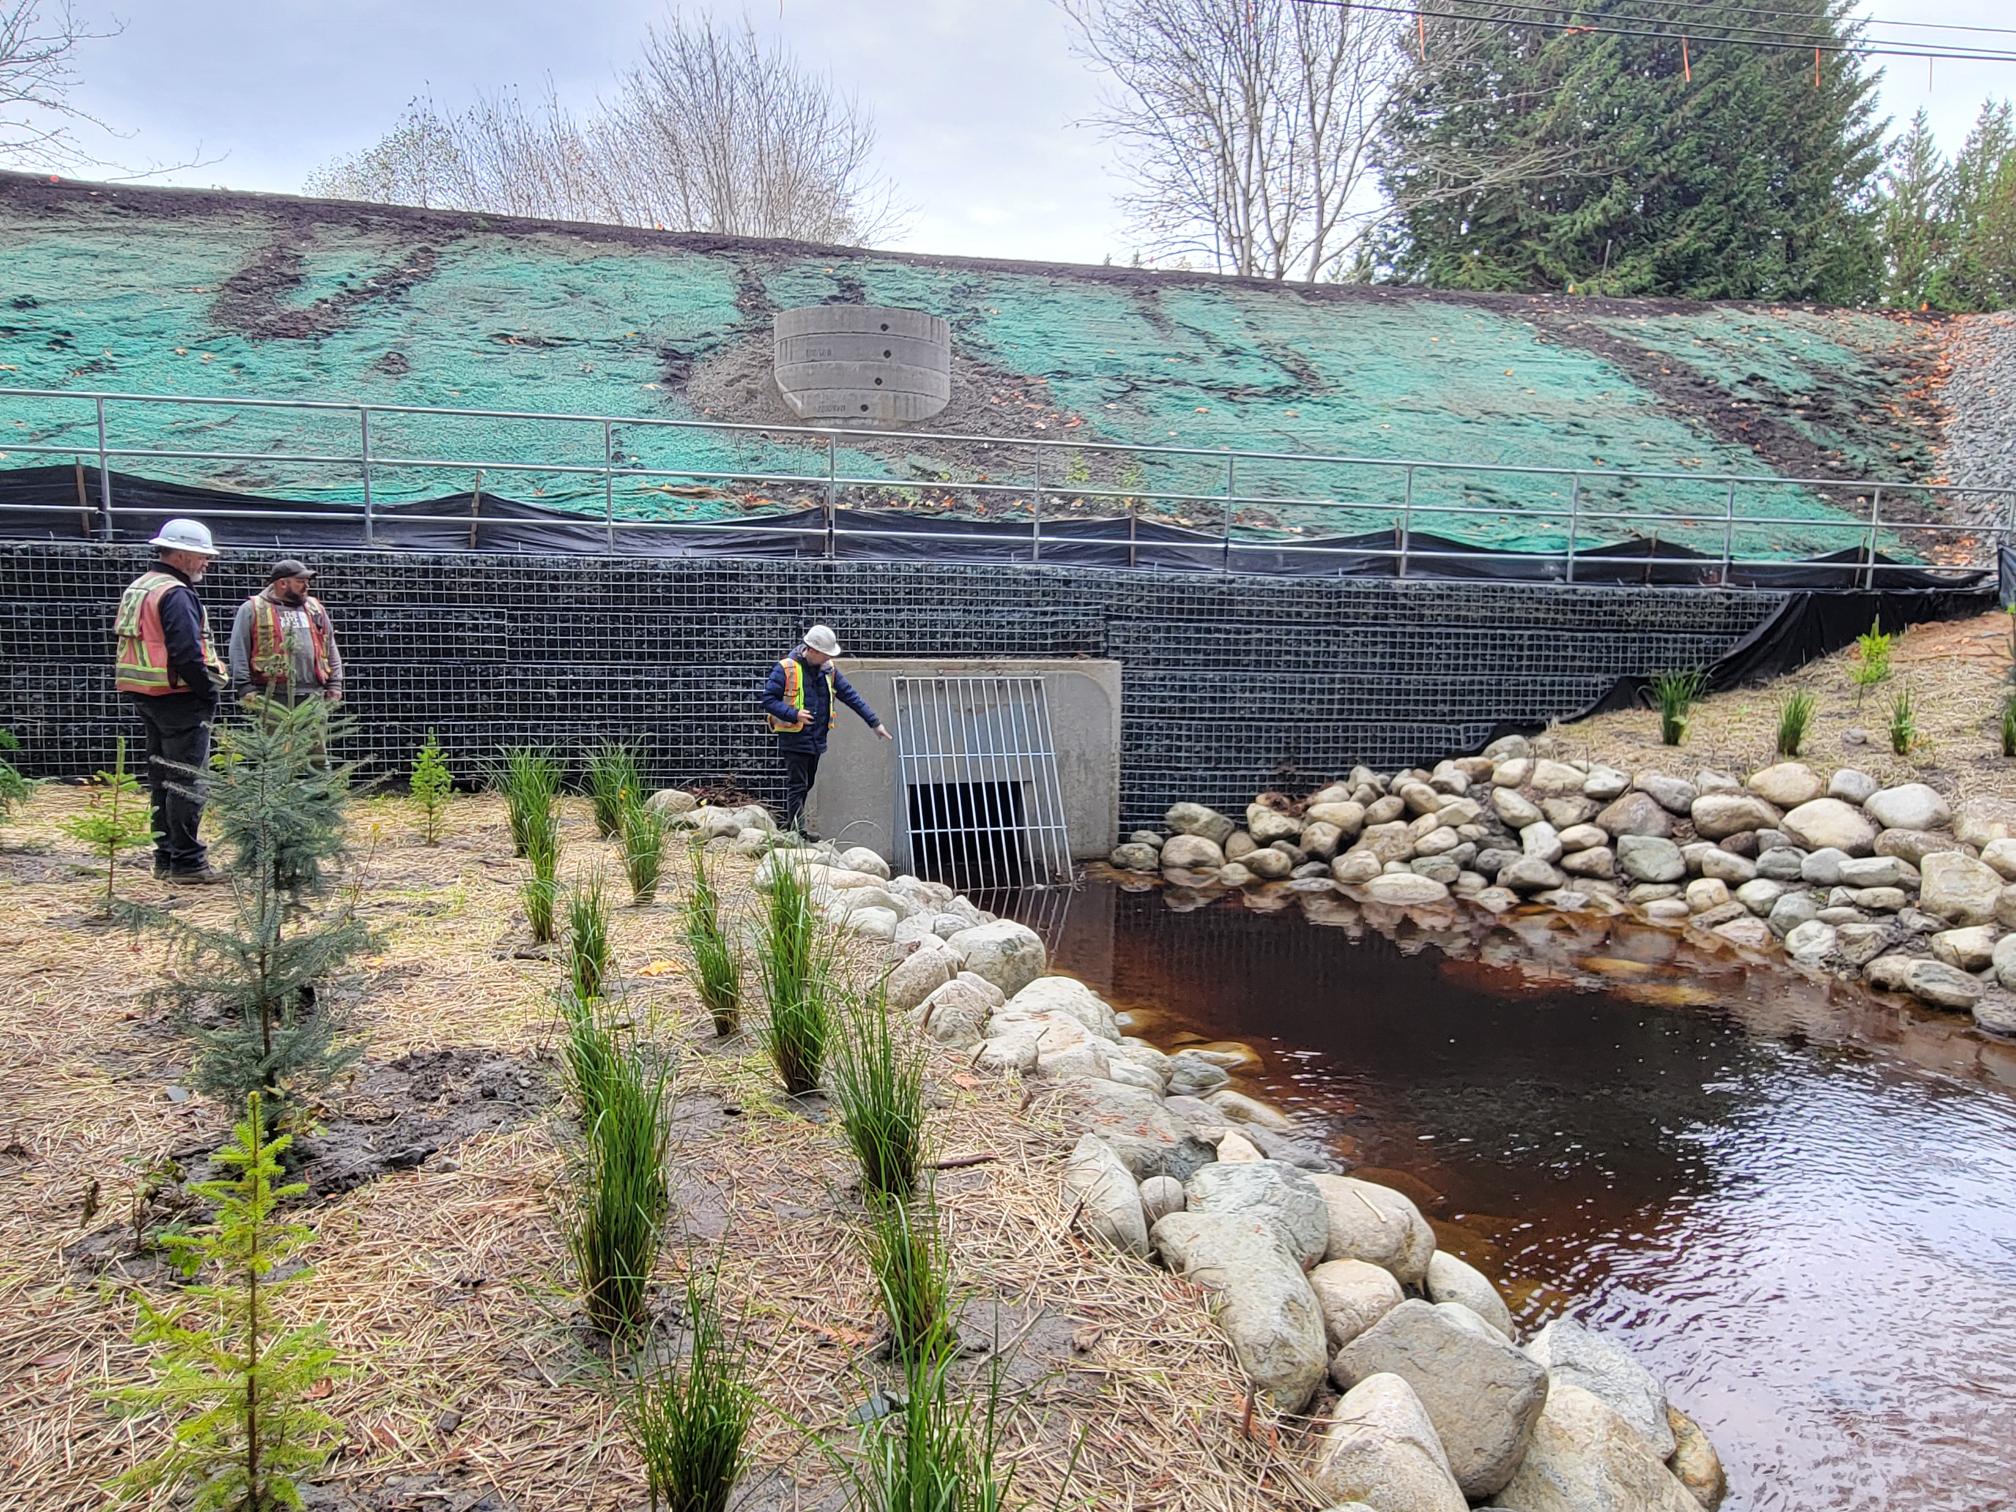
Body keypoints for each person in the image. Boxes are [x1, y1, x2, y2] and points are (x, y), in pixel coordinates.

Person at [113, 518, 228, 884]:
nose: (206, 563)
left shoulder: (141, 587)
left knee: (162, 779)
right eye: (201, 556)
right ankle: (188, 863)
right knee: (186, 781)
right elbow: (185, 651)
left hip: (145, 692)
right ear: (180, 554)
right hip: (179, 696)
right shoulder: (175, 593)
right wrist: (206, 690)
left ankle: (165, 857)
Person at [759, 624, 892, 836]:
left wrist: (874, 723)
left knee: (807, 782)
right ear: (812, 650)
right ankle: (796, 830)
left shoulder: (827, 670)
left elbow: (851, 696)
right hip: (794, 736)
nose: (828, 658)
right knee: (798, 784)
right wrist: (794, 714)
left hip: (816, 738)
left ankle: (794, 827)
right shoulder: (786, 668)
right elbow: (768, 699)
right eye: (825, 654)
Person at [229, 558, 345, 706]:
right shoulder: (253, 608)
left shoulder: (315, 608)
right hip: (270, 696)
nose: (306, 586)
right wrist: (244, 687)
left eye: (307, 581)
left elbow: (330, 646)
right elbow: (239, 649)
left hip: (314, 695)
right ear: (282, 583)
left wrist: (335, 683)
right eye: (300, 581)